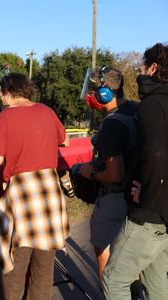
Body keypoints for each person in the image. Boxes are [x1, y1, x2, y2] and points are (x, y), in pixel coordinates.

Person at [0, 72, 70, 300]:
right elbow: (65, 140)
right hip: (50, 193)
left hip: (23, 193)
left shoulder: (6, 116)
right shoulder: (47, 112)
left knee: (15, 263)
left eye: (1, 93)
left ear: (8, 91)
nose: (1, 98)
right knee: (44, 267)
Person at [103, 43, 168, 300]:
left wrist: (149, 195)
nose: (138, 69)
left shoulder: (152, 104)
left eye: (142, 65)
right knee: (156, 281)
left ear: (153, 68)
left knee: (114, 279)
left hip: (150, 215)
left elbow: (156, 156)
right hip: (164, 212)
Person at [78, 66, 138, 287]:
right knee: (132, 256)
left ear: (105, 93)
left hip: (116, 198)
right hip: (138, 195)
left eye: (94, 90)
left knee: (104, 249)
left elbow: (114, 173)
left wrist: (91, 173)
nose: (91, 95)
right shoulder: (136, 109)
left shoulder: (112, 123)